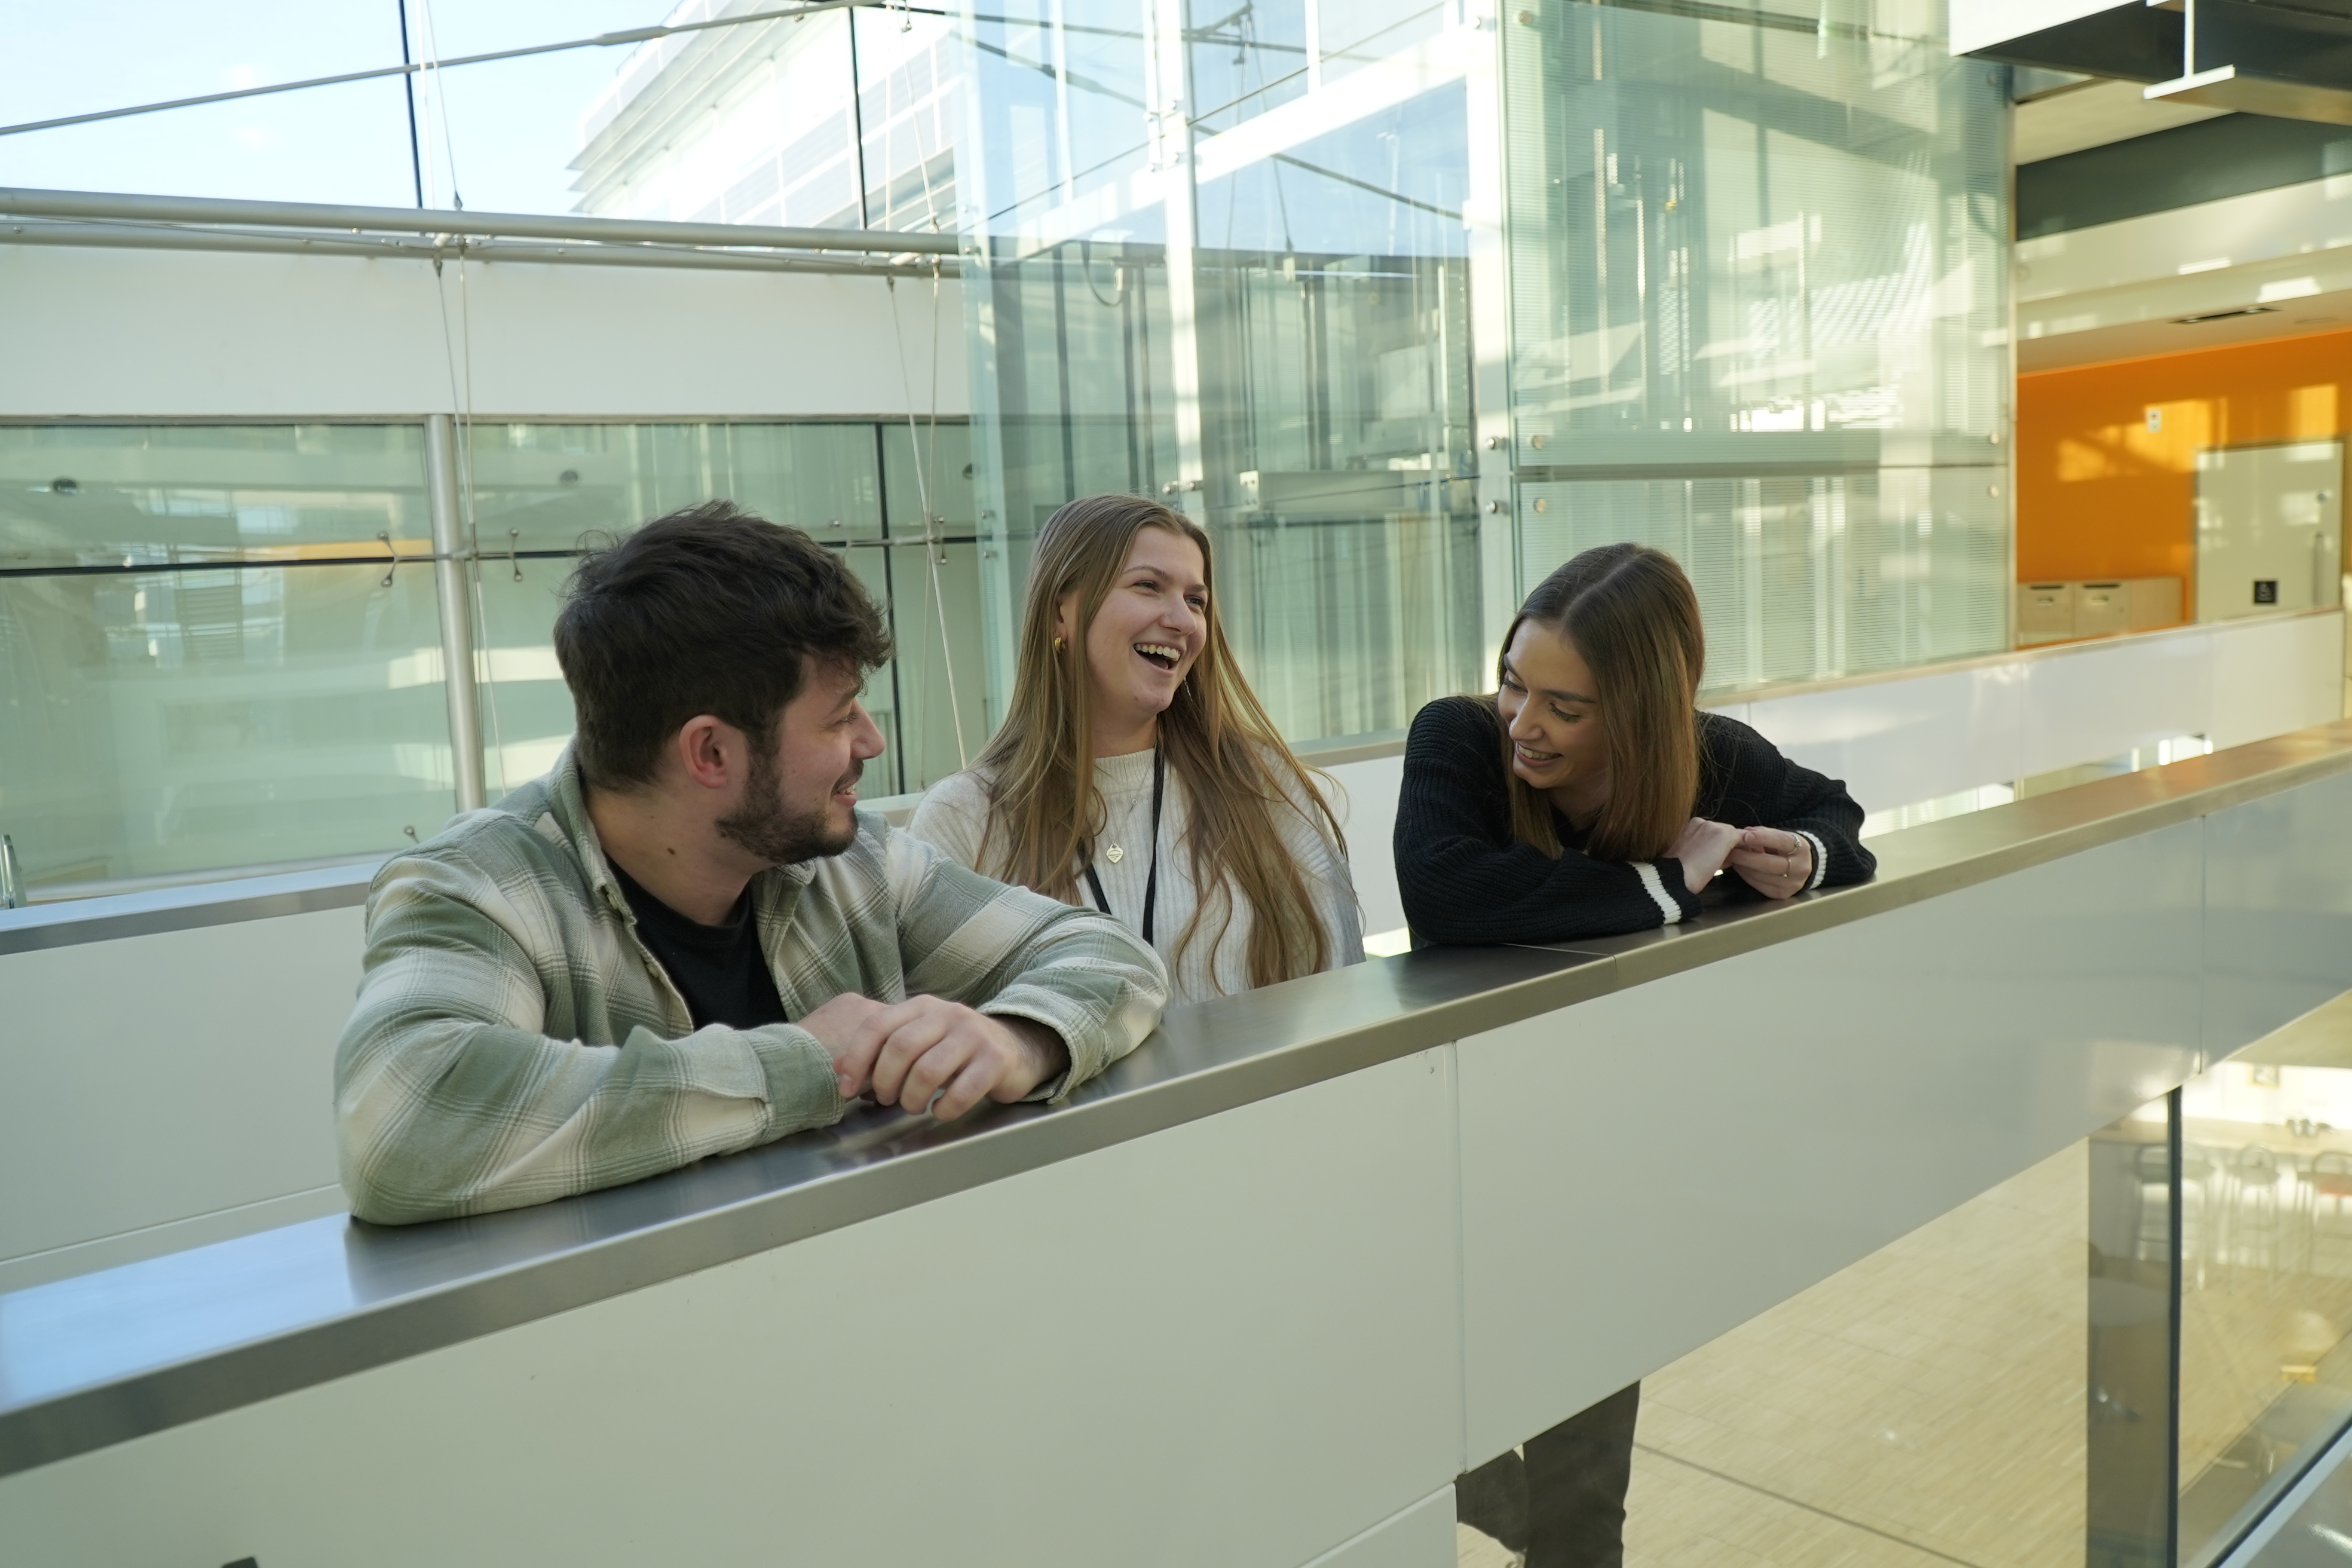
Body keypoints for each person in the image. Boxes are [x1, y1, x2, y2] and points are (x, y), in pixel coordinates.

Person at [335, 502, 1168, 1226]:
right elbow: (407, 1121)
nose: (870, 743)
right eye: (839, 717)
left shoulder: (852, 865)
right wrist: (810, 1062)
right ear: (711, 752)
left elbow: (1108, 956)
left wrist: (1017, 1037)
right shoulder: (477, 886)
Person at [1397, 541, 1872, 1567]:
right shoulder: (1459, 738)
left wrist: (1806, 857)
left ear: (1641, 710)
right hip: (1457, 1156)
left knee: (1583, 1505)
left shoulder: (1714, 756)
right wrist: (1665, 886)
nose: (1525, 721)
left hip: (1610, 1173)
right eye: (1516, 682)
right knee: (1415, 1431)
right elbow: (1445, 890)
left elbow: (1836, 815)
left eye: (1565, 706)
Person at [908, 494, 1360, 1004]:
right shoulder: (965, 818)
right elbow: (931, 1034)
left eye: (1196, 600)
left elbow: (1340, 991)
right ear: (1061, 611)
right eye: (1149, 586)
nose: (1184, 622)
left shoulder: (1261, 784)